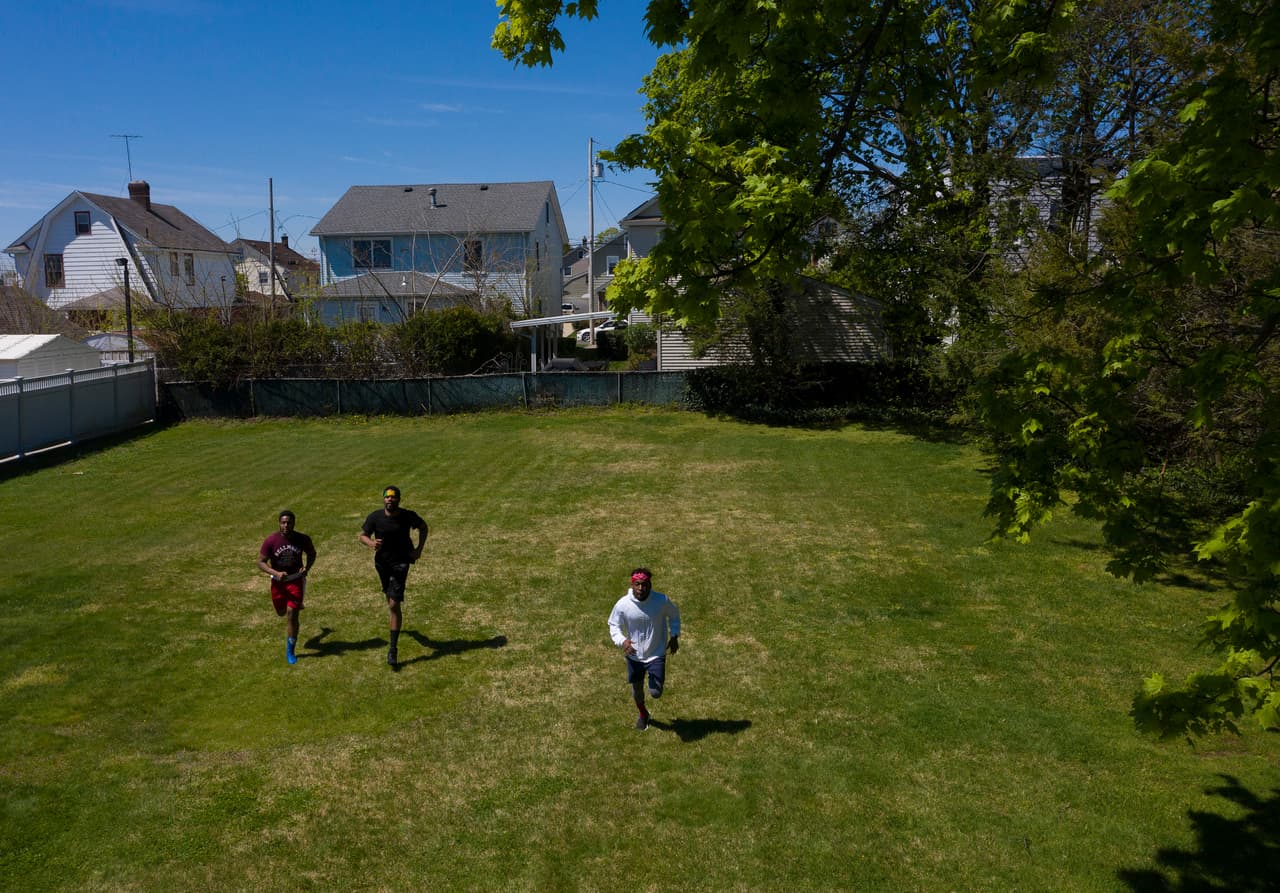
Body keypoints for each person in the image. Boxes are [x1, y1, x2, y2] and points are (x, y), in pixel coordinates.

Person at [359, 485, 429, 668]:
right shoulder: (375, 517)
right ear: (383, 499)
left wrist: (419, 549)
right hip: (382, 563)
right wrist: (371, 543)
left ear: (399, 499)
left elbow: (423, 527)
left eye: (393, 497)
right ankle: (395, 619)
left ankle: (393, 649)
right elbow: (362, 535)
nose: (390, 499)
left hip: (401, 562)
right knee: (389, 599)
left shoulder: (407, 516)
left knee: (393, 603)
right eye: (387, 496)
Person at [608, 568, 681, 730]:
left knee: (655, 693)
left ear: (650, 584)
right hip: (634, 656)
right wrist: (622, 641)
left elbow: (674, 615)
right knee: (637, 691)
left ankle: (654, 679)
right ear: (632, 585)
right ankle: (643, 714)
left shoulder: (661, 601)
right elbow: (614, 625)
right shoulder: (623, 604)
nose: (641, 588)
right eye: (637, 584)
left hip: (656, 653)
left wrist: (674, 635)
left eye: (645, 584)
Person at [257, 510, 316, 665]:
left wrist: (307, 568)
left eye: (289, 522)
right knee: (281, 612)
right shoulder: (271, 541)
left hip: (296, 580)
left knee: (292, 615)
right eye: (283, 522)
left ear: (294, 523)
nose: (286, 525)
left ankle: (290, 650)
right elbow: (261, 562)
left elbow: (312, 553)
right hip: (278, 583)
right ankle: (290, 610)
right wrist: (275, 573)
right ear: (279, 523)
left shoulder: (302, 539)